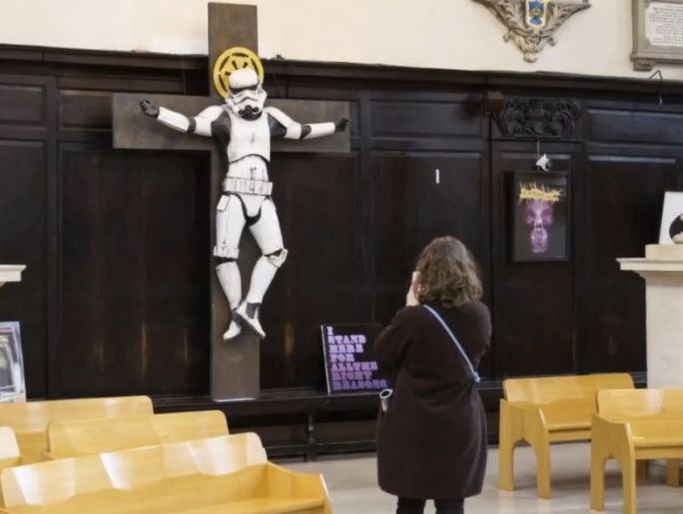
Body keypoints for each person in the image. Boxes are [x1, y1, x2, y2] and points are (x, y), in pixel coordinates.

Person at [139, 67, 348, 341]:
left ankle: (250, 308)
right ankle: (238, 312)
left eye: (252, 90)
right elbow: (192, 125)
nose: (248, 99)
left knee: (276, 253)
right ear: (232, 94)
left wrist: (333, 127)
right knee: (225, 254)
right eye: (241, 92)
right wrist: (160, 114)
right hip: (234, 194)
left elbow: (300, 130)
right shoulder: (222, 117)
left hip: (263, 195)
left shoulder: (271, 117)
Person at [375, 236, 491, 514]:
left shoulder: (413, 318)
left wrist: (409, 305)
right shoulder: (479, 315)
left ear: (425, 274)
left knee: (410, 501)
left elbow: (383, 353)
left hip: (412, 423)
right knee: (452, 501)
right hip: (460, 422)